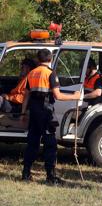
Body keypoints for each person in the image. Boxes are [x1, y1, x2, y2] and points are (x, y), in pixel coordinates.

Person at [21, 49, 80, 184]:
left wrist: (23, 113)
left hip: (34, 112)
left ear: (38, 59)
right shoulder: (50, 73)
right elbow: (58, 95)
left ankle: (25, 173)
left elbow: (26, 95)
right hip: (46, 112)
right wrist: (75, 96)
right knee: (50, 144)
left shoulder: (32, 73)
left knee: (32, 143)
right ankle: (50, 176)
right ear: (51, 59)